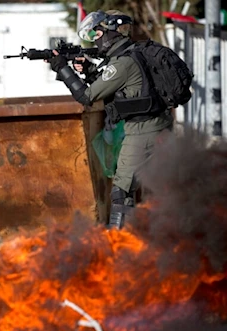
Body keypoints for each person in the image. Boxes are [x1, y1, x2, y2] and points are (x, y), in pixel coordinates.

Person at [48, 10, 173, 229]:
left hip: (142, 130)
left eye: (97, 35)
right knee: (155, 187)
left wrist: (61, 68)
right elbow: (119, 86)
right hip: (158, 124)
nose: (96, 40)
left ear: (111, 33)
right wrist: (88, 70)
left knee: (121, 190)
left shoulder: (121, 64)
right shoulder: (133, 53)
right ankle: (155, 237)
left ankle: (118, 245)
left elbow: (86, 96)